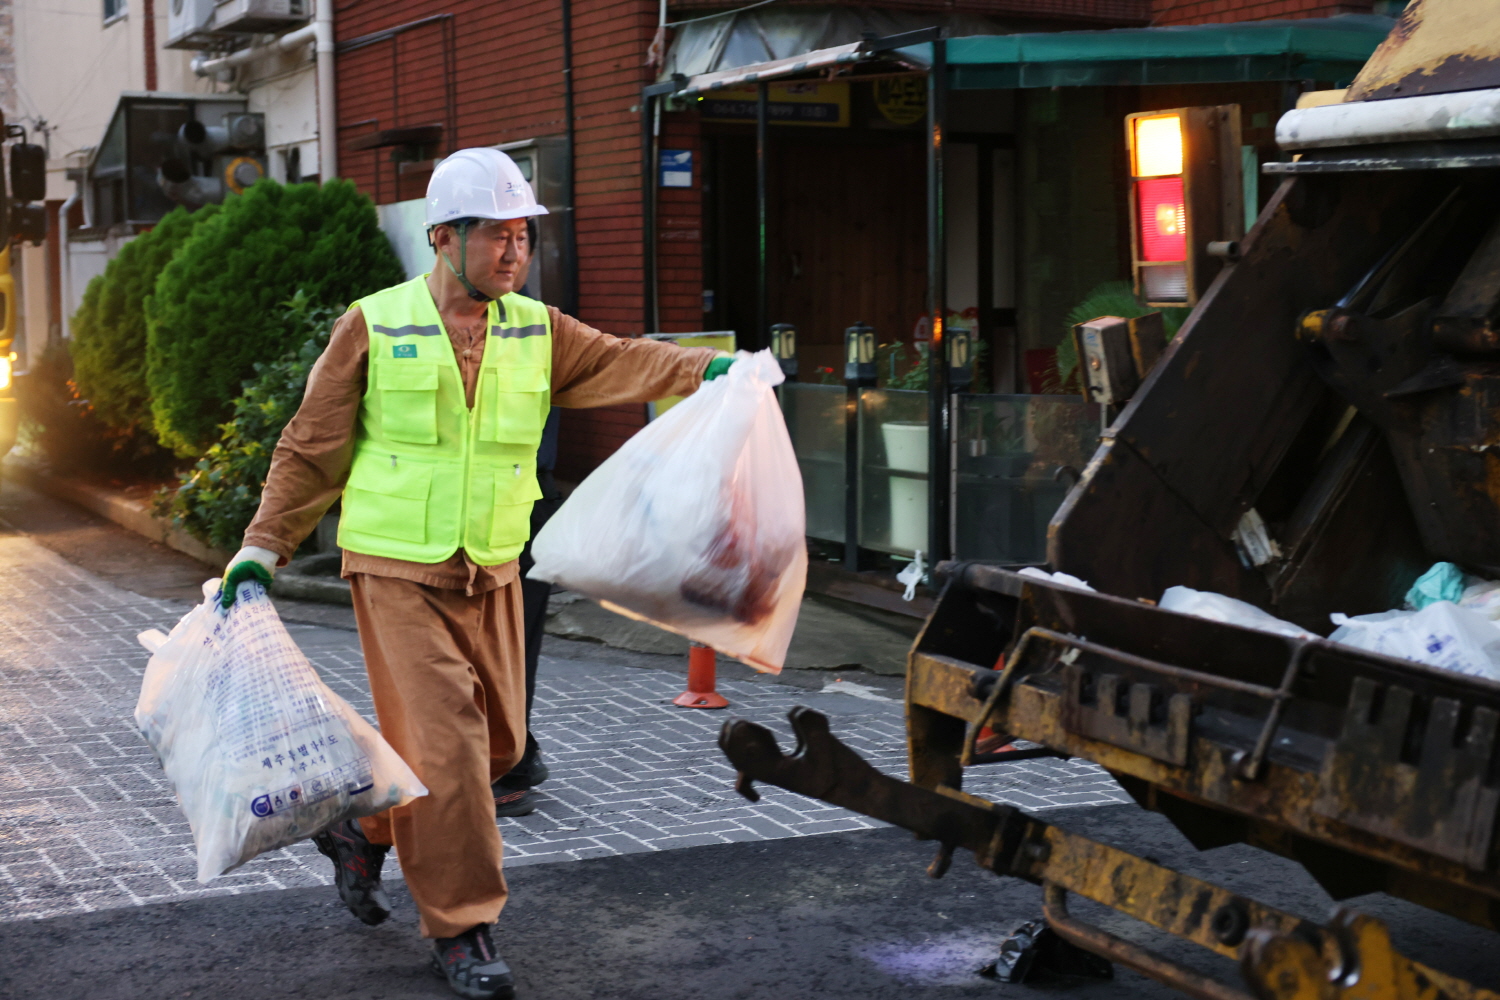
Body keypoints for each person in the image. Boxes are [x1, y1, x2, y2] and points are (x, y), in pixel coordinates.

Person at [221, 148, 732, 1000]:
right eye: (495, 234)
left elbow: (620, 359)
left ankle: (365, 828)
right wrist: (261, 546)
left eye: (522, 235)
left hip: (490, 568)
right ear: (443, 237)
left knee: (498, 747)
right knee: (452, 754)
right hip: (395, 570)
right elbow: (312, 446)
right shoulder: (375, 323)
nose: (513, 251)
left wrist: (704, 372)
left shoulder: (539, 329)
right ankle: (463, 929)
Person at [491, 408, 561, 817]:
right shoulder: (539, 343)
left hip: (515, 498)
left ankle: (507, 766)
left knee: (506, 645)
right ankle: (513, 757)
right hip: (526, 494)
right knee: (513, 644)